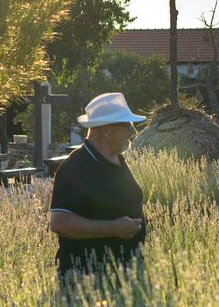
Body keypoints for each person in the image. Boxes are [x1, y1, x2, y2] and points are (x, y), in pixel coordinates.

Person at [48, 91, 147, 276]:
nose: (133, 132)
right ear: (107, 130)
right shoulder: (75, 168)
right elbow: (59, 223)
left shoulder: (117, 159)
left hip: (125, 272)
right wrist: (113, 229)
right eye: (128, 126)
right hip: (89, 278)